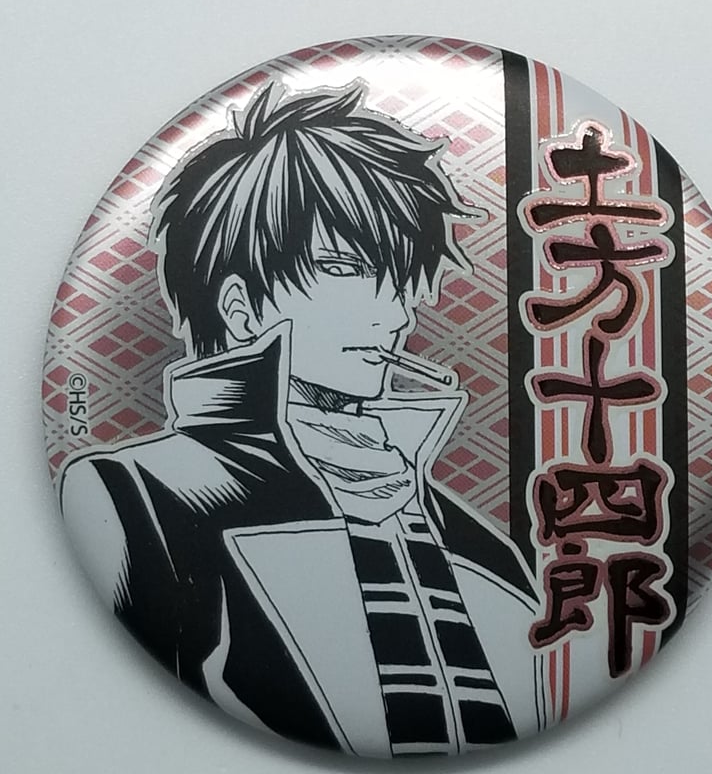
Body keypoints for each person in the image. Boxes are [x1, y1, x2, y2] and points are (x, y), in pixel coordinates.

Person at [60, 82, 545, 756]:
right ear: (239, 307)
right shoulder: (134, 497)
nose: (395, 314)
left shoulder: (481, 547)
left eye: (401, 281)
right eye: (344, 268)